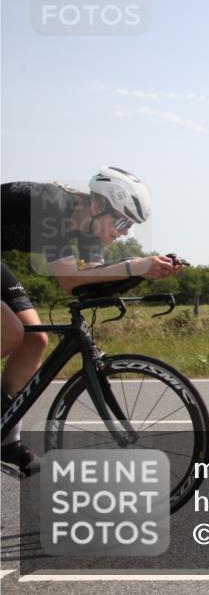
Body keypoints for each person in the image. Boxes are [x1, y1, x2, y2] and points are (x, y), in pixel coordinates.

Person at [1, 167, 183, 475]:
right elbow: (70, 280)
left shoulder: (88, 230)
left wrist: (144, 272)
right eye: (122, 221)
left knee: (35, 338)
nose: (124, 232)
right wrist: (134, 265)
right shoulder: (52, 209)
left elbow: (89, 284)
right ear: (98, 207)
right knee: (11, 332)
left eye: (131, 226)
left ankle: (6, 440)